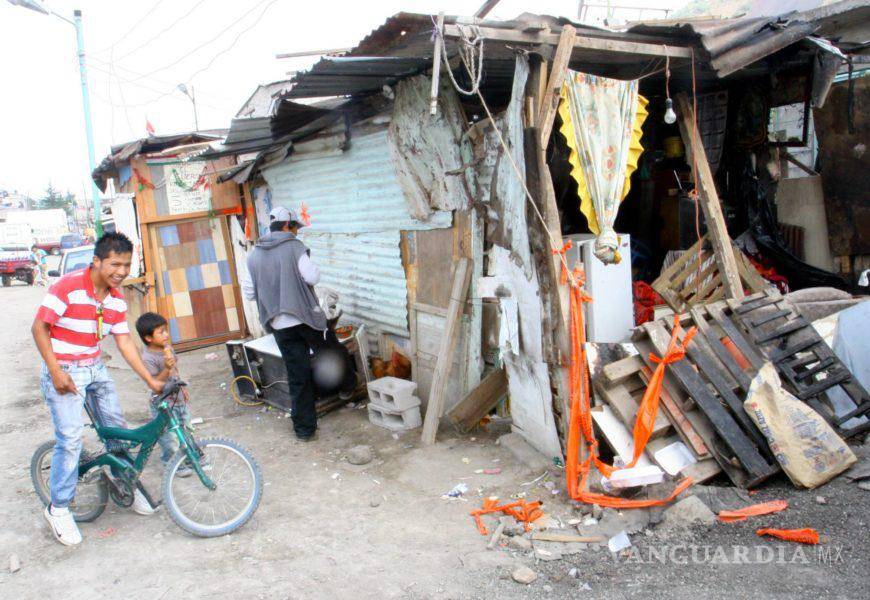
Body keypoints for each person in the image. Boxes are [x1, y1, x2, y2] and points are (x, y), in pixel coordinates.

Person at [32, 232, 164, 546]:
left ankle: (125, 486)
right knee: (71, 438)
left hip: (95, 367)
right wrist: (55, 370)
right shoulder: (67, 286)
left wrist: (150, 379)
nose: (121, 271)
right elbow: (39, 327)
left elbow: (123, 341)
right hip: (64, 368)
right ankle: (59, 508)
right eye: (115, 264)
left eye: (126, 264)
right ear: (97, 261)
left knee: (118, 431)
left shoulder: (116, 298)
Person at [242, 206, 355, 441]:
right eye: (294, 227)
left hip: (279, 324)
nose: (296, 232)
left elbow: (250, 293)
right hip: (305, 317)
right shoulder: (294, 247)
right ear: (286, 226)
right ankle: (347, 387)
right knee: (333, 351)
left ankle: (304, 430)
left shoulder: (253, 255)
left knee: (297, 374)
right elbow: (313, 277)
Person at [135, 312, 195, 477]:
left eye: (166, 330)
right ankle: (172, 463)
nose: (166, 335)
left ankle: (190, 456)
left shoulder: (168, 348)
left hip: (177, 397)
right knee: (168, 436)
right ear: (148, 338)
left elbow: (175, 370)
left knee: (185, 427)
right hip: (162, 402)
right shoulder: (147, 358)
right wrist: (166, 369)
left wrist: (182, 387)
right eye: (161, 332)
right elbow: (155, 385)